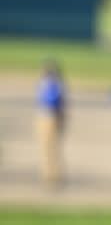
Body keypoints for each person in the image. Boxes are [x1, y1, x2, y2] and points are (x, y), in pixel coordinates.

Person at [36, 59, 66, 187]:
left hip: (51, 117)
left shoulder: (55, 85)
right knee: (45, 147)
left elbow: (52, 102)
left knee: (53, 147)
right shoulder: (45, 84)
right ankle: (47, 174)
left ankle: (55, 175)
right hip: (44, 116)